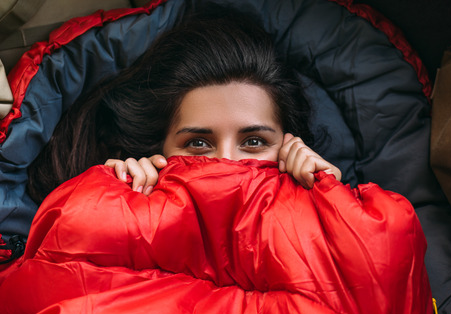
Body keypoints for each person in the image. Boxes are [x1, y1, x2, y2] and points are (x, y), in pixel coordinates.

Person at [27, 7, 341, 202]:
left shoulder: (328, 208)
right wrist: (106, 205)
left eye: (255, 141)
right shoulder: (119, 209)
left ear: (291, 146)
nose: (226, 163)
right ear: (158, 152)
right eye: (199, 143)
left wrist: (332, 206)